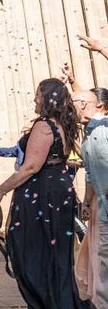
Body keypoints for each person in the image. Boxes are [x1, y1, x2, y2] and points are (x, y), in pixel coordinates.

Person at [0, 78, 86, 308]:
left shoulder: (44, 126)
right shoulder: (64, 124)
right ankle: (59, 301)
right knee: (56, 252)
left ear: (48, 98)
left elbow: (31, 166)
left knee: (30, 249)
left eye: (38, 94)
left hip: (43, 194)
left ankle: (47, 301)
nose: (34, 98)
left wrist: (0, 189)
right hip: (59, 191)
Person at [73, 90, 108, 307]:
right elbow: (89, 173)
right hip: (101, 208)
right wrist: (86, 203)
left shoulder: (105, 128)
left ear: (84, 104)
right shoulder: (87, 137)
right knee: (101, 259)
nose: (69, 108)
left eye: (72, 103)